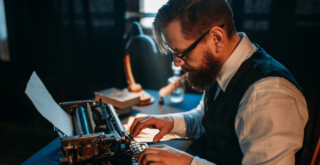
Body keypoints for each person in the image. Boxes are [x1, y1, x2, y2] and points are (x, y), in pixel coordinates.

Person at [130, 0, 308, 164]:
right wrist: (171, 122)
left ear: (216, 39)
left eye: (182, 52)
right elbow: (209, 118)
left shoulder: (267, 97)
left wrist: (188, 162)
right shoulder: (223, 65)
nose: (177, 62)